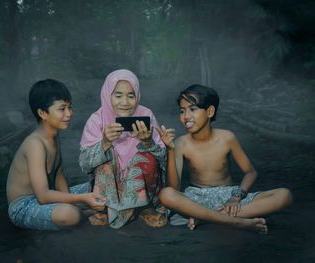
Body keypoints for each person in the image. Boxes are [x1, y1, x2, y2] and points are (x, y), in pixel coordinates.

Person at [157, 84, 293, 233]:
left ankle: (206, 218)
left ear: (209, 111)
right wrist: (170, 149)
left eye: (193, 109)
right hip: (197, 200)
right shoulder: (180, 144)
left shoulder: (227, 137)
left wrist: (235, 198)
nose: (186, 116)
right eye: (182, 111)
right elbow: (174, 189)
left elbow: (250, 172)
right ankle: (238, 222)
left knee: (284, 195)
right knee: (166, 194)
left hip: (229, 197)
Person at [6, 79, 106, 231]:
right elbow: (43, 196)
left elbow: (58, 174)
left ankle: (84, 210)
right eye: (62, 109)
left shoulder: (53, 136)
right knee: (69, 214)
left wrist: (76, 199)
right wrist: (82, 199)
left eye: (70, 107)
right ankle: (86, 213)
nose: (69, 113)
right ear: (42, 113)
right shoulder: (35, 144)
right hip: (24, 206)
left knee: (103, 185)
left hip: (48, 197)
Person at [79, 69, 167, 229]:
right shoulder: (97, 120)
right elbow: (85, 165)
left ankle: (144, 207)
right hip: (110, 188)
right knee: (105, 158)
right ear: (107, 95)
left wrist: (148, 142)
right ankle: (107, 208)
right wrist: (105, 142)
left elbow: (164, 159)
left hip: (142, 188)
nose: (125, 102)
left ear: (137, 96)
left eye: (131, 95)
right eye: (118, 95)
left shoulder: (146, 114)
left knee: (148, 158)